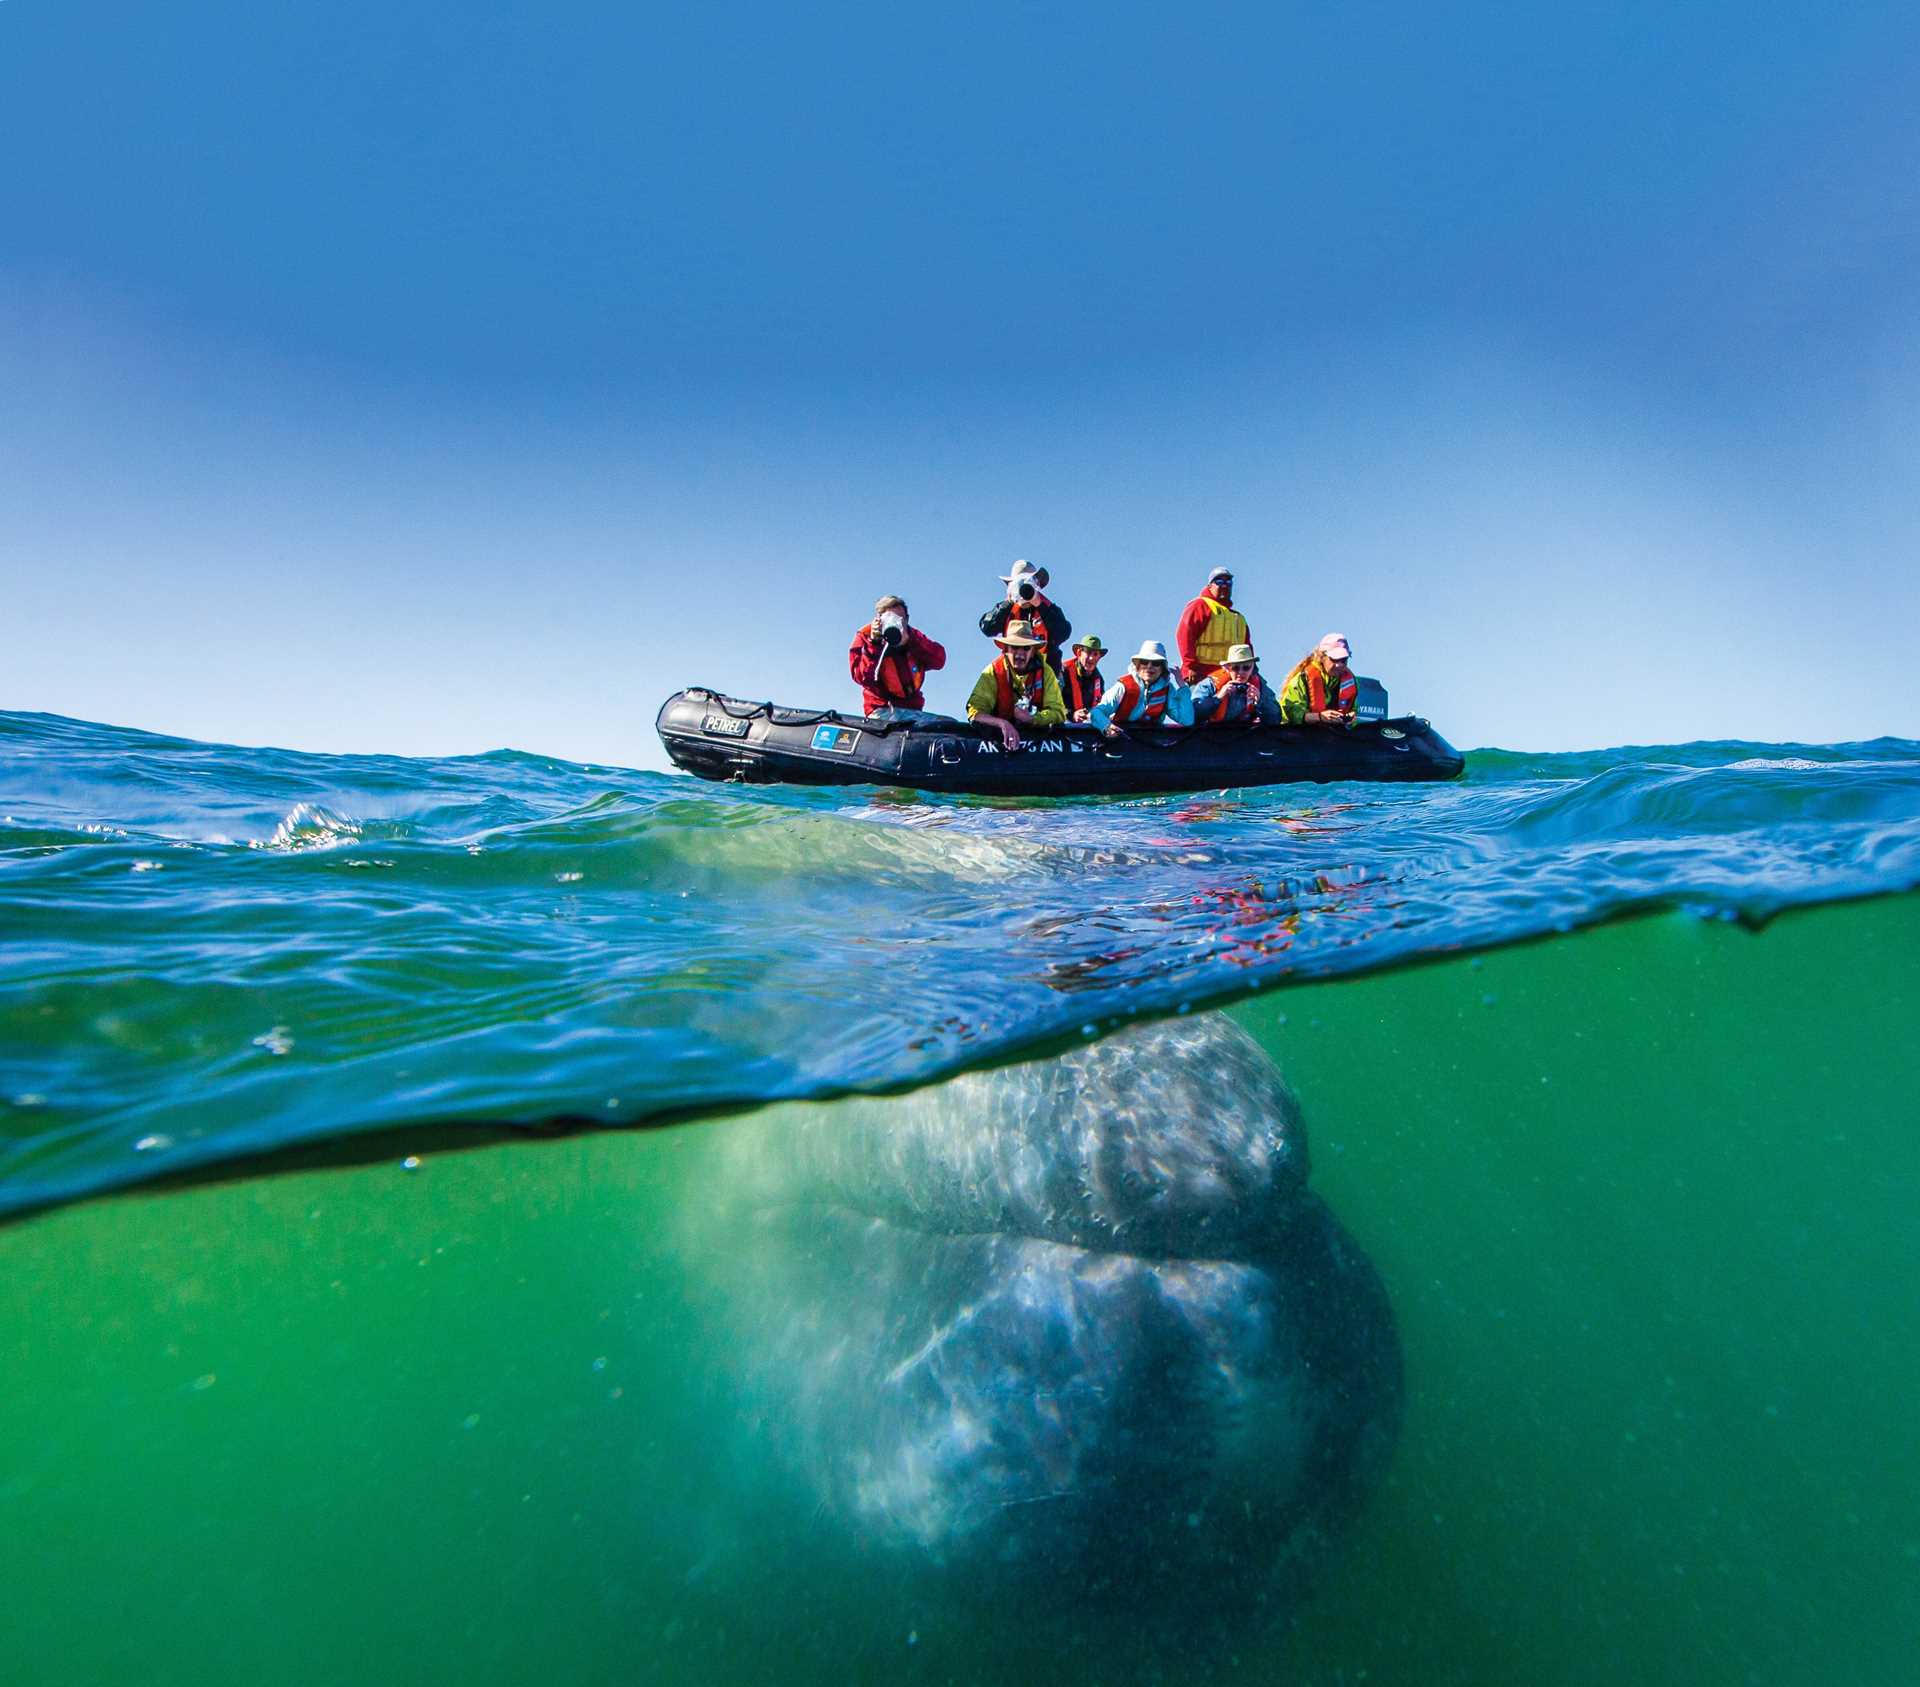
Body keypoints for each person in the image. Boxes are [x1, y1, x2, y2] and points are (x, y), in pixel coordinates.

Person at [965, 619, 1066, 750]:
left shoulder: (1046, 672)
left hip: (1038, 744)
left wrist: (1033, 719)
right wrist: (1003, 724)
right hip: (998, 746)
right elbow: (975, 713)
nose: (1020, 653)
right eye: (1015, 647)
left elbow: (1058, 713)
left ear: (1033, 651)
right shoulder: (993, 672)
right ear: (1006, 649)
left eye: (1026, 648)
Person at [849, 594, 947, 719]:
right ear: (878, 619)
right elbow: (861, 677)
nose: (894, 623)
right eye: (889, 618)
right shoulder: (866, 636)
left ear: (906, 619)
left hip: (912, 711)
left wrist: (911, 641)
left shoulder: (913, 636)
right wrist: (874, 644)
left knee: (947, 725)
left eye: (899, 619)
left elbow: (939, 661)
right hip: (881, 710)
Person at [979, 560, 1072, 676]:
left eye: (1028, 583)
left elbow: (1064, 633)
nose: (1023, 590)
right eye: (1018, 584)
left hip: (1047, 677)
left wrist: (1039, 604)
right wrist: (1008, 602)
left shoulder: (1049, 608)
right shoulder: (1006, 608)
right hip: (1014, 677)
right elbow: (986, 628)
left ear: (1036, 585)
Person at [1089, 640, 1196, 737]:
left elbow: (1187, 720)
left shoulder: (1167, 690)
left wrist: (1182, 686)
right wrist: (1106, 727)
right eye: (1144, 662)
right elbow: (1096, 713)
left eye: (1156, 663)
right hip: (1120, 740)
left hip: (1150, 745)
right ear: (1137, 666)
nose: (1149, 666)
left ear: (1162, 668)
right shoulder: (1123, 686)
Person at [1175, 567, 1250, 684]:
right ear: (1209, 586)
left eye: (1228, 582)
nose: (1224, 585)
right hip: (1203, 673)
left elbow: (1247, 648)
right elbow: (1185, 635)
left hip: (1233, 674)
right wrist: (1189, 666)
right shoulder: (1200, 605)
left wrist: (1251, 669)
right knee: (1200, 701)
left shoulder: (1239, 618)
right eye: (1219, 582)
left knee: (1264, 695)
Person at [1278, 633, 1359, 727]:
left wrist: (1351, 717)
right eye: (1334, 659)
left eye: (1343, 660)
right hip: (1301, 734)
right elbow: (1291, 712)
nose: (1339, 665)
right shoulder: (1302, 679)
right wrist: (1320, 717)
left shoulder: (1350, 682)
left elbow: (1354, 710)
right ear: (1322, 657)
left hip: (1330, 736)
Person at [1192, 642, 1282, 726]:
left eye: (1246, 667)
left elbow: (1275, 719)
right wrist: (1218, 698)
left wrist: (1260, 702)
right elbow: (1194, 715)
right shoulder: (1211, 684)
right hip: (1211, 734)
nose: (1240, 672)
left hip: (1244, 737)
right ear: (1227, 668)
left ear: (1252, 667)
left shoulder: (1260, 686)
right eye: (1235, 668)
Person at [1061, 634, 1108, 721]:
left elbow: (1100, 708)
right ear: (1079, 653)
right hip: (1062, 727)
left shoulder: (1099, 681)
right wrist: (1072, 715)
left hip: (1087, 730)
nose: (1091, 658)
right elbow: (1052, 703)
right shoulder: (1064, 671)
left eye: (1095, 654)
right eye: (1088, 652)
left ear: (1099, 657)